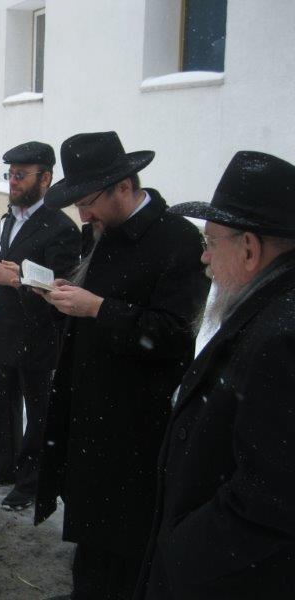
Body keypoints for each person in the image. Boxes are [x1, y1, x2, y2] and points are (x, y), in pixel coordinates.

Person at [33, 132, 210, 599]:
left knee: (127, 540)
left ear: (125, 187)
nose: (83, 215)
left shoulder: (178, 239)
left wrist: (97, 309)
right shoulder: (105, 231)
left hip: (135, 420)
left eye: (88, 202)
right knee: (91, 533)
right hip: (89, 408)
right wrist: (62, 295)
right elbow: (96, 300)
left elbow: (174, 333)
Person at [134, 151, 295, 600]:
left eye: (210, 242)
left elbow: (272, 495)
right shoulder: (269, 311)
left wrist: (182, 551)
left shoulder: (280, 339)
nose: (203, 257)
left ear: (249, 249)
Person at [0, 142, 80, 512]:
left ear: (45, 178)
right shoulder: (12, 218)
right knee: (0, 404)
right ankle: (2, 466)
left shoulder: (62, 228)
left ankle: (31, 482)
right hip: (5, 329)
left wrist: (17, 280)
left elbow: (63, 284)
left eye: (21, 175)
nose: (12, 182)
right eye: (10, 174)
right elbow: (14, 264)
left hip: (39, 336)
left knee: (38, 414)